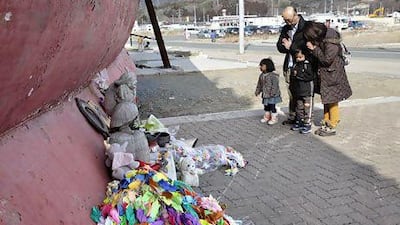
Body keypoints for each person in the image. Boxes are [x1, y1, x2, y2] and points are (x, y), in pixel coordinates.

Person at [303, 21, 352, 136]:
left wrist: (314, 48)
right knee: (327, 99)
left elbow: (327, 59)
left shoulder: (331, 41)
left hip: (333, 75)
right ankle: (326, 121)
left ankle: (332, 124)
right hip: (327, 74)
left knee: (332, 100)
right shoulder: (324, 37)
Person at [277, 6, 314, 125]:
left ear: (296, 15)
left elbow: (306, 48)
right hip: (289, 66)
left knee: (303, 95)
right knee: (291, 93)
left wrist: (291, 46)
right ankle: (293, 117)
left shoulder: (306, 27)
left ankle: (304, 118)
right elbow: (279, 46)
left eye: (289, 19)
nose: (288, 22)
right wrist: (286, 47)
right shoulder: (285, 29)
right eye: (285, 20)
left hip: (303, 68)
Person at [289, 50, 315, 134]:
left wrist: (299, 75)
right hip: (298, 91)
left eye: (301, 57)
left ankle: (307, 123)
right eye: (297, 57)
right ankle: (299, 120)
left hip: (307, 91)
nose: (299, 59)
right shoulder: (295, 65)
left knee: (307, 108)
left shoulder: (307, 65)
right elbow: (293, 76)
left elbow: (310, 76)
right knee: (299, 107)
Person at [255, 58, 282, 125]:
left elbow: (275, 86)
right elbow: (259, 84)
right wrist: (257, 91)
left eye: (262, 65)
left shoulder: (273, 75)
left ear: (268, 66)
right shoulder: (261, 75)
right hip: (265, 95)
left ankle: (274, 118)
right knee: (266, 106)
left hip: (272, 95)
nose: (260, 67)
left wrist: (272, 93)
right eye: (260, 65)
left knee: (272, 106)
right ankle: (267, 116)